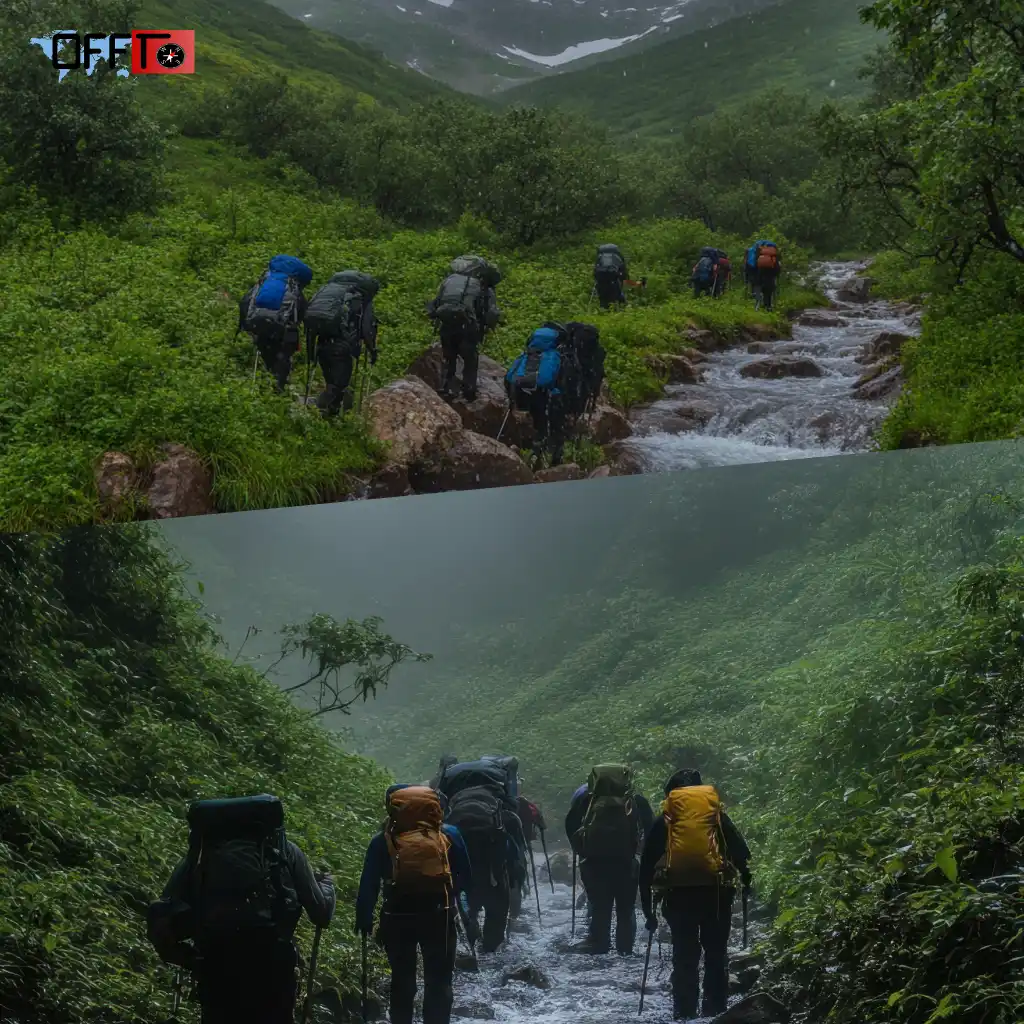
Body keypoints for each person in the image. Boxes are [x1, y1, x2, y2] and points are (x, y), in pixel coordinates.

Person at [146, 794, 335, 1024]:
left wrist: (188, 959)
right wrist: (327, 885)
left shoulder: (201, 857)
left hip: (216, 966)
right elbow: (321, 913)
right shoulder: (285, 852)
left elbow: (164, 911)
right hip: (272, 967)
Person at [639, 769, 752, 1021]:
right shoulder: (716, 816)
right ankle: (715, 1011)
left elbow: (646, 866)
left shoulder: (666, 819)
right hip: (717, 894)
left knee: (684, 955)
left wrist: (648, 911)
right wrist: (746, 881)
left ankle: (684, 1013)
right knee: (715, 952)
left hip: (678, 895)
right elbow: (741, 852)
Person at [356, 784, 473, 1024]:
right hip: (440, 917)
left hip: (397, 917)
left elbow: (369, 884)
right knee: (439, 982)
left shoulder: (382, 841)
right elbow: (467, 877)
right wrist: (452, 897)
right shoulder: (449, 835)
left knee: (402, 982)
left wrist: (364, 918)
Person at [565, 766, 654, 955]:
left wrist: (581, 850)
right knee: (626, 908)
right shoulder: (636, 801)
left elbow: (570, 825)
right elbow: (651, 829)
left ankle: (599, 945)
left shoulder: (587, 800)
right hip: (626, 863)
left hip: (593, 863)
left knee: (599, 905)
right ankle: (625, 949)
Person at [445, 779, 526, 952]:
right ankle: (492, 952)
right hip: (493, 874)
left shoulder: (451, 823)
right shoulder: (502, 816)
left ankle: (470, 941)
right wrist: (516, 877)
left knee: (468, 913)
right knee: (496, 919)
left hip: (463, 879)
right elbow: (513, 854)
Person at [303, 269, 380, 416]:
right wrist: (372, 350)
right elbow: (366, 328)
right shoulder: (360, 299)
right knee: (339, 385)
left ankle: (330, 415)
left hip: (322, 343)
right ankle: (323, 414)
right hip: (340, 347)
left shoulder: (331, 294)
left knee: (333, 382)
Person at [427, 255, 501, 402]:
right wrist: (488, 326)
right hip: (467, 328)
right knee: (470, 359)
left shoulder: (449, 281)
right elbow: (490, 313)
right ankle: (469, 392)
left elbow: (434, 305)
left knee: (449, 358)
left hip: (446, 326)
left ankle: (447, 388)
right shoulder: (482, 286)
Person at [239, 255, 313, 393]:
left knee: (267, 355)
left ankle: (264, 387)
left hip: (259, 325)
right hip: (282, 330)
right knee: (282, 358)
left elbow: (245, 301)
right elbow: (302, 313)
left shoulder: (264, 282)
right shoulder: (293, 288)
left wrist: (246, 326)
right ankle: (278, 390)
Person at [506, 324, 568, 468]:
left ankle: (536, 454)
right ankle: (551, 458)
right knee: (550, 427)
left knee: (539, 423)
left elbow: (509, 376)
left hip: (524, 394)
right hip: (545, 396)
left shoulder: (527, 354)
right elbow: (559, 382)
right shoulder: (555, 357)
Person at [593, 244, 628, 308]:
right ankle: (622, 310)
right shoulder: (617, 258)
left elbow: (595, 272)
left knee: (603, 299)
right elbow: (624, 273)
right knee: (619, 297)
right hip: (614, 280)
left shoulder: (600, 257)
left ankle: (602, 312)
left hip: (601, 281)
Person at [753, 241, 781, 312]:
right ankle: (768, 306)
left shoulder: (760, 252)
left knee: (760, 289)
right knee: (769, 291)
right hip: (771, 274)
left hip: (761, 273)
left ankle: (758, 305)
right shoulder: (774, 254)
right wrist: (777, 274)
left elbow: (755, 263)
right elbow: (777, 266)